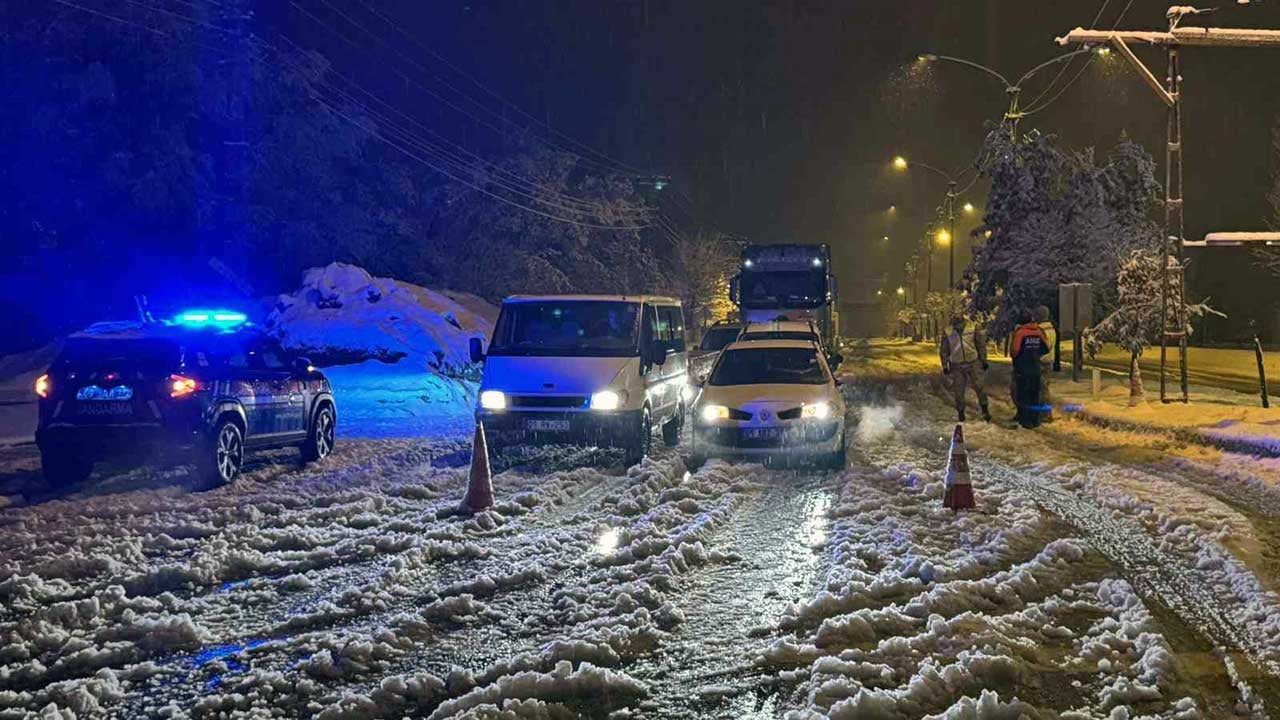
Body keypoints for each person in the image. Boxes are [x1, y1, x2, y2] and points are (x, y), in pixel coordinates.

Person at [939, 315, 991, 423]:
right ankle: (961, 413)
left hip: (973, 361)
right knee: (958, 390)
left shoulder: (972, 328)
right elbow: (944, 350)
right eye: (956, 323)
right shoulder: (948, 332)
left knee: (979, 386)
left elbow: (980, 345)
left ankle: (985, 409)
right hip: (957, 364)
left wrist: (983, 360)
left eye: (960, 323)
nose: (958, 326)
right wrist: (945, 365)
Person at [1011, 311, 1050, 428]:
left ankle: (1025, 420)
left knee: (1023, 395)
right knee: (1034, 394)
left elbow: (1015, 350)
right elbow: (1046, 348)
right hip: (1036, 368)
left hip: (1022, 369)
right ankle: (1035, 419)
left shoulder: (1020, 333)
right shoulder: (1038, 331)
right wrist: (1035, 354)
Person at [1036, 305, 1057, 423]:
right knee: (1044, 388)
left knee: (1041, 390)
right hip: (1049, 362)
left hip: (1041, 362)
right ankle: (1044, 413)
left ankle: (1045, 414)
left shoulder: (1040, 331)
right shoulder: (1051, 329)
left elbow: (1042, 347)